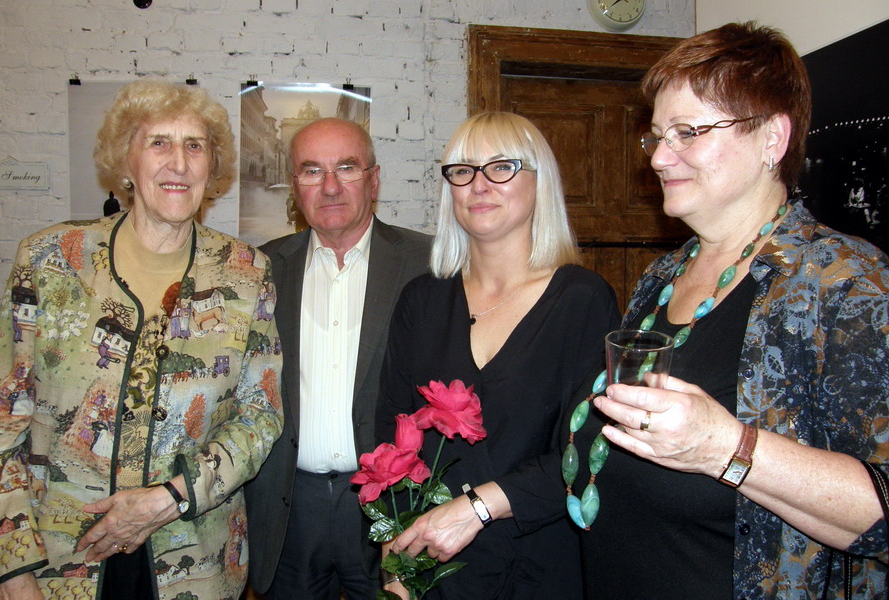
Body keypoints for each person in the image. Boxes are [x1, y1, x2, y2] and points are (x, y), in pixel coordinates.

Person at [570, 22, 888, 599]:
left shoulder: (847, 283)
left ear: (772, 139)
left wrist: (726, 447)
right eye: (657, 136)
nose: (659, 157)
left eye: (688, 132)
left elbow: (882, 509)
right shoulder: (663, 276)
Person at [0, 80, 283, 600]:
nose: (179, 163)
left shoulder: (246, 273)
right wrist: (11, 570)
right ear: (125, 160)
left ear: (211, 167)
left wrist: (174, 495)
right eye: (158, 143)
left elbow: (261, 416)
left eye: (195, 146)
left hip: (194, 559)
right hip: (57, 559)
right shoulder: (49, 260)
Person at [377, 112, 620, 599]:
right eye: (463, 170)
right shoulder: (421, 300)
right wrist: (395, 560)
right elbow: (391, 439)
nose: (479, 184)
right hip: (434, 568)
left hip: (539, 564)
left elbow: (591, 451)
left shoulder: (582, 299)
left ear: (540, 182)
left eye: (502, 167)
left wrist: (479, 507)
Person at [244, 118, 432, 599]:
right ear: (295, 185)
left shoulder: (429, 263)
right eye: (312, 171)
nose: (330, 187)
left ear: (374, 179)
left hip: (394, 506)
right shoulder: (260, 269)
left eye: (346, 168)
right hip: (290, 508)